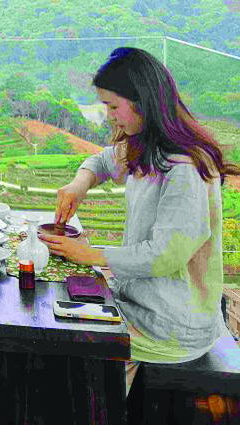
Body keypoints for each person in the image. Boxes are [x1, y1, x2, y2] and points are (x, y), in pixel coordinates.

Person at [44, 47, 237, 395]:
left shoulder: (185, 168)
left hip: (170, 324)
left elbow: (165, 255)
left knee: (66, 354)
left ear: (142, 101)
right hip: (139, 301)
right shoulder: (148, 144)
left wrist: (91, 255)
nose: (109, 117)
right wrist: (79, 184)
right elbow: (104, 161)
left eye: (112, 107)